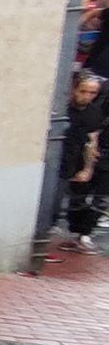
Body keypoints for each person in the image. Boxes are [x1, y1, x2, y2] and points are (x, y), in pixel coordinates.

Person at [61, 70, 107, 253]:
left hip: (82, 157)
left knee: (97, 198)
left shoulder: (93, 112)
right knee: (74, 198)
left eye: (92, 93)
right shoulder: (65, 108)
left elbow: (92, 140)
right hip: (67, 157)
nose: (87, 96)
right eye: (83, 91)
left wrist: (88, 168)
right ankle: (78, 233)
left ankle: (83, 234)